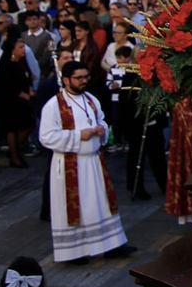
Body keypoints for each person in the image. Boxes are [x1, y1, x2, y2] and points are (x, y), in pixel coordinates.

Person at [40, 61, 127, 263]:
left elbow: (102, 119)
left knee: (101, 205)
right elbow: (46, 137)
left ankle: (110, 245)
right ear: (66, 80)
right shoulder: (54, 106)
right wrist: (79, 135)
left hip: (94, 164)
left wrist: (101, 129)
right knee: (76, 208)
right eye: (79, 78)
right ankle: (73, 252)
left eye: (85, 77)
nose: (83, 81)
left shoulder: (91, 100)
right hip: (70, 165)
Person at [0, 37, 37, 169]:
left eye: (23, 47)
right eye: (20, 47)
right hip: (11, 101)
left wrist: (30, 90)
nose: (23, 50)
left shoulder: (22, 62)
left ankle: (14, 149)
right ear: (12, 50)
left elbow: (29, 77)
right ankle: (14, 157)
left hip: (24, 101)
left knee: (29, 124)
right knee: (12, 128)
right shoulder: (6, 64)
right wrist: (22, 94)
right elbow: (7, 84)